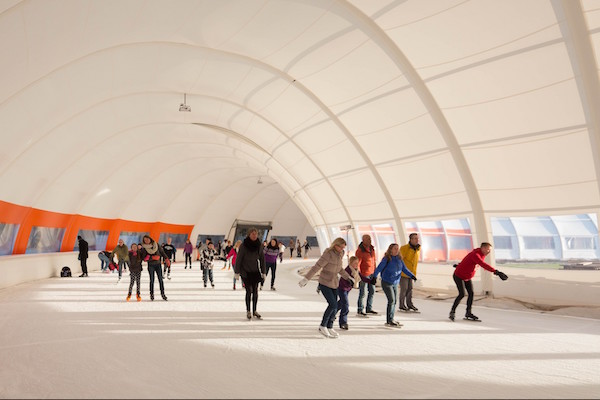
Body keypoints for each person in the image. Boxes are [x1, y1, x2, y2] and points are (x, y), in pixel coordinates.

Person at [299, 237, 354, 338]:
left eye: (343, 247)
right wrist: (306, 279)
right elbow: (317, 267)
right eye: (341, 247)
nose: (342, 249)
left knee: (336, 306)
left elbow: (339, 269)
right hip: (324, 282)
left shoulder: (340, 254)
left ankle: (330, 326)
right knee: (333, 305)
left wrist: (348, 278)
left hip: (334, 283)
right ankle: (323, 326)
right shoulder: (328, 254)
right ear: (336, 245)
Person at [450, 242, 508, 321]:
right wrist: (496, 272)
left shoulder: (481, 254)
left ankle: (468, 312)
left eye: (490, 250)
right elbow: (482, 264)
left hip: (467, 276)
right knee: (462, 294)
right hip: (458, 276)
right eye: (488, 249)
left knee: (471, 293)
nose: (489, 252)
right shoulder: (476, 254)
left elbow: (468, 260)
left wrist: (460, 265)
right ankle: (452, 312)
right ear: (483, 248)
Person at [371, 243, 416, 327]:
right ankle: (389, 320)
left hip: (395, 283)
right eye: (395, 248)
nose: (396, 250)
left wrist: (412, 275)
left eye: (397, 248)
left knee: (394, 301)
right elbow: (379, 268)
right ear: (390, 250)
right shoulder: (387, 259)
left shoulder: (399, 259)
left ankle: (391, 318)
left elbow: (404, 269)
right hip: (386, 282)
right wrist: (374, 277)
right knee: (391, 300)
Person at [234, 228, 266, 319]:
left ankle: (254, 310)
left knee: (255, 291)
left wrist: (263, 272)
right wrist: (237, 272)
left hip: (255, 271)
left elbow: (262, 259)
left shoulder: (259, 245)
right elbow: (239, 259)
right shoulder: (244, 246)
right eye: (252, 234)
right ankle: (248, 311)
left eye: (256, 234)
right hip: (245, 271)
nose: (254, 235)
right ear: (249, 235)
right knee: (249, 291)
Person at [336, 256, 370, 330]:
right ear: (350, 263)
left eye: (357, 263)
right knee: (345, 305)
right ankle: (343, 322)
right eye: (354, 263)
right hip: (342, 289)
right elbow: (344, 280)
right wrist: (349, 281)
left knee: (341, 303)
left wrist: (370, 281)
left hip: (347, 289)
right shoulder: (347, 270)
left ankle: (332, 313)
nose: (356, 265)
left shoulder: (356, 270)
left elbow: (362, 277)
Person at [140, 235, 169, 301]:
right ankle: (152, 294)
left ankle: (163, 294)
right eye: (145, 240)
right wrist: (151, 258)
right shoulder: (144, 248)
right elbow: (143, 258)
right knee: (152, 280)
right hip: (151, 265)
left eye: (147, 239)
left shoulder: (156, 244)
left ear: (150, 239)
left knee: (160, 280)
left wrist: (166, 258)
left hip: (158, 265)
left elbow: (162, 252)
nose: (146, 241)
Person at [355, 234, 377, 317]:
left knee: (372, 291)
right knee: (362, 293)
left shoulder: (372, 249)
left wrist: (375, 273)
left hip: (371, 273)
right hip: (364, 275)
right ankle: (360, 309)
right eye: (368, 239)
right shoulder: (360, 251)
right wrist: (359, 274)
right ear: (363, 240)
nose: (370, 240)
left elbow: (374, 261)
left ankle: (369, 308)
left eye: (370, 239)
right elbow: (358, 263)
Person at [399, 233, 421, 312]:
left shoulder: (418, 249)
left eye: (417, 238)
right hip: (404, 272)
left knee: (410, 289)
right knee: (404, 289)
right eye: (414, 238)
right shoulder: (404, 248)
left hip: (412, 273)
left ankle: (409, 304)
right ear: (410, 239)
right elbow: (400, 260)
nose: (416, 240)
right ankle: (401, 305)